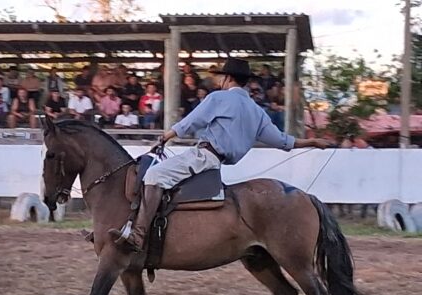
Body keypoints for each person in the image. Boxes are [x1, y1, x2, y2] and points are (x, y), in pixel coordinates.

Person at [110, 58, 331, 252]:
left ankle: (138, 235)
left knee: (154, 175)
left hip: (203, 156)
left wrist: (167, 135)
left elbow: (192, 121)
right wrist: (312, 142)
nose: (219, 81)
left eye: (221, 77)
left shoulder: (219, 98)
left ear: (228, 78)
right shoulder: (258, 111)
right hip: (217, 161)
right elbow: (282, 141)